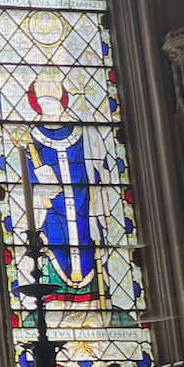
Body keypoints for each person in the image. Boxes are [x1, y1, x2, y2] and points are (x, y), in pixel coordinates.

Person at [22, 70, 109, 305]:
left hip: (83, 202)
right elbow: (27, 178)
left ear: (62, 101)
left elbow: (97, 168)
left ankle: (92, 301)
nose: (49, 108)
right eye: (43, 104)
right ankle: (57, 302)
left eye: (52, 102)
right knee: (54, 244)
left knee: (87, 244)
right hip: (52, 208)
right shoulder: (33, 138)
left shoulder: (82, 133)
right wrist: (40, 190)